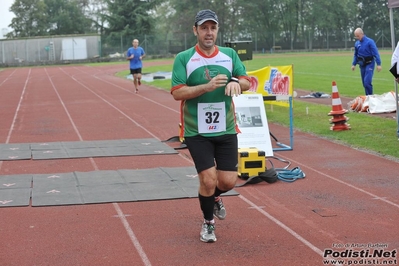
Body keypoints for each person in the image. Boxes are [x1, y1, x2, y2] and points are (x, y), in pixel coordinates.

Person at [171, 9, 250, 243]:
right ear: (195, 30)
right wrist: (206, 87)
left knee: (227, 182)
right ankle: (208, 223)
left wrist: (237, 82)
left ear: (217, 30)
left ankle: (215, 197)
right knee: (207, 179)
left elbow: (246, 80)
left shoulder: (229, 55)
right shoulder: (184, 58)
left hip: (226, 128)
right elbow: (177, 93)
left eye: (212, 28)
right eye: (204, 28)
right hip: (197, 131)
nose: (209, 32)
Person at [351, 28, 382, 96]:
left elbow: (375, 53)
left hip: (370, 63)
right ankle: (367, 97)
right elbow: (356, 54)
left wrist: (379, 64)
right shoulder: (357, 44)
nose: (357, 38)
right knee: (364, 83)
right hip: (362, 65)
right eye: (356, 36)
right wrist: (353, 64)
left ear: (362, 34)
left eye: (358, 36)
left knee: (367, 82)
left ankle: (370, 98)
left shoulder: (370, 42)